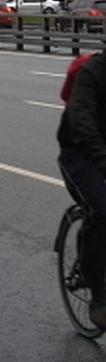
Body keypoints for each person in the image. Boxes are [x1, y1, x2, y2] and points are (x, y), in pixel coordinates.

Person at [58, 49, 106, 330]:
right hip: (80, 153)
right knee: (101, 210)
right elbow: (82, 119)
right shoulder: (93, 73)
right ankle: (96, 293)